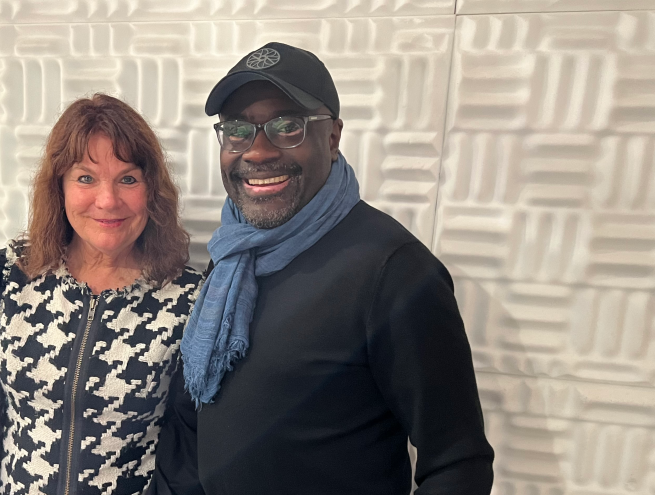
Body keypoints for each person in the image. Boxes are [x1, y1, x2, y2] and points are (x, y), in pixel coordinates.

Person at [149, 42, 494, 494]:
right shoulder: (234, 252)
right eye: (237, 130)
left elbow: (457, 463)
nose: (256, 151)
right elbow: (194, 418)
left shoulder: (392, 271)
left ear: (332, 137)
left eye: (286, 126)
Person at [0, 94, 204, 495]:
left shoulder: (189, 301)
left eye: (128, 178)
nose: (107, 200)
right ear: (59, 186)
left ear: (151, 189)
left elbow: (192, 455)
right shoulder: (4, 282)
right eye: (86, 178)